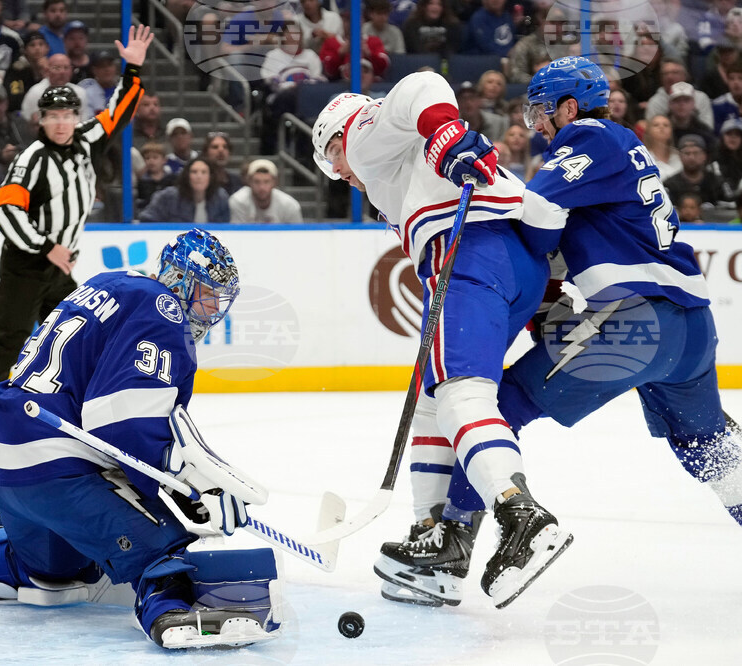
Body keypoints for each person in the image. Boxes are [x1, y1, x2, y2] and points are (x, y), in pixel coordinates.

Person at [383, 55, 742, 609]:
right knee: (710, 447)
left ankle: (451, 542)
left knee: (492, 404)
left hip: (636, 325)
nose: (538, 125)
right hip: (691, 328)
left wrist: (488, 215)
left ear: (569, 107)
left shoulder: (592, 137)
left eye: (543, 113)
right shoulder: (623, 148)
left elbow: (539, 209)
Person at [0, 229, 284, 649]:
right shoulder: (163, 309)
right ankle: (169, 606)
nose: (212, 311)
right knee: (162, 543)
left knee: (56, 570)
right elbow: (122, 421)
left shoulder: (110, 284)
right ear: (179, 280)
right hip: (53, 466)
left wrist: (190, 482)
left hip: (0, 461)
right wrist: (183, 493)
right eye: (207, 295)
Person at [311, 72, 572, 609]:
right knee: (433, 397)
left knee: (459, 395)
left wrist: (446, 132)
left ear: (338, 137)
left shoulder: (365, 139)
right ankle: (438, 543)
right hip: (516, 265)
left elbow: (420, 85)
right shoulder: (404, 166)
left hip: (473, 255)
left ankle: (520, 514)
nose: (341, 175)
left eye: (331, 162)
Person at [0, 26, 154, 452]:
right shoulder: (32, 159)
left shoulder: (84, 142)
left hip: (57, 267)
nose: (62, 123)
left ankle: (77, 413)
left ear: (75, 118)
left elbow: (119, 111)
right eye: (53, 117)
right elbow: (7, 211)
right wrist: (49, 246)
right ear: (40, 120)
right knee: (10, 339)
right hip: (28, 264)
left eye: (68, 116)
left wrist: (132, 66)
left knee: (80, 333)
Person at [139, 157, 230, 223]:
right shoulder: (168, 197)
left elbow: (226, 227)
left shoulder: (220, 198)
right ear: (187, 176)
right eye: (194, 172)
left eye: (204, 172)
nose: (199, 176)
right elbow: (146, 219)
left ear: (211, 177)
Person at [229, 159, 303, 223]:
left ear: (275, 182)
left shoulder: (289, 206)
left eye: (266, 181)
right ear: (249, 182)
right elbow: (237, 234)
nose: (262, 187)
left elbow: (297, 236)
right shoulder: (238, 201)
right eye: (257, 182)